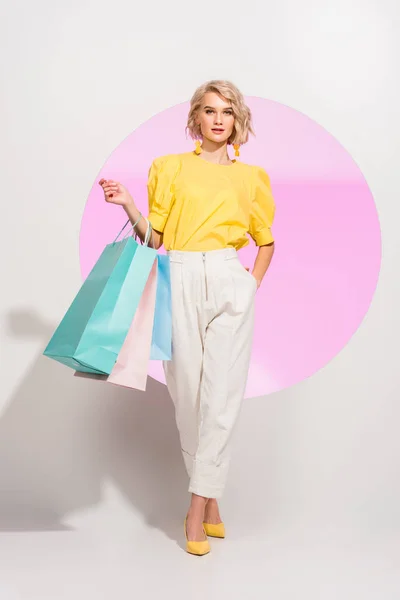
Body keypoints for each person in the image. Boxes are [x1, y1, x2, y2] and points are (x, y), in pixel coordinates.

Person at [99, 79, 276, 556]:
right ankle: (213, 501)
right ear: (196, 118)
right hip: (178, 276)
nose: (219, 119)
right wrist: (130, 205)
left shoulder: (251, 178)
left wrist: (249, 284)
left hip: (227, 278)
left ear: (237, 121)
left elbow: (266, 240)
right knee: (188, 397)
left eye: (229, 112)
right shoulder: (169, 169)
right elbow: (156, 239)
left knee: (222, 396)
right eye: (211, 110)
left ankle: (195, 510)